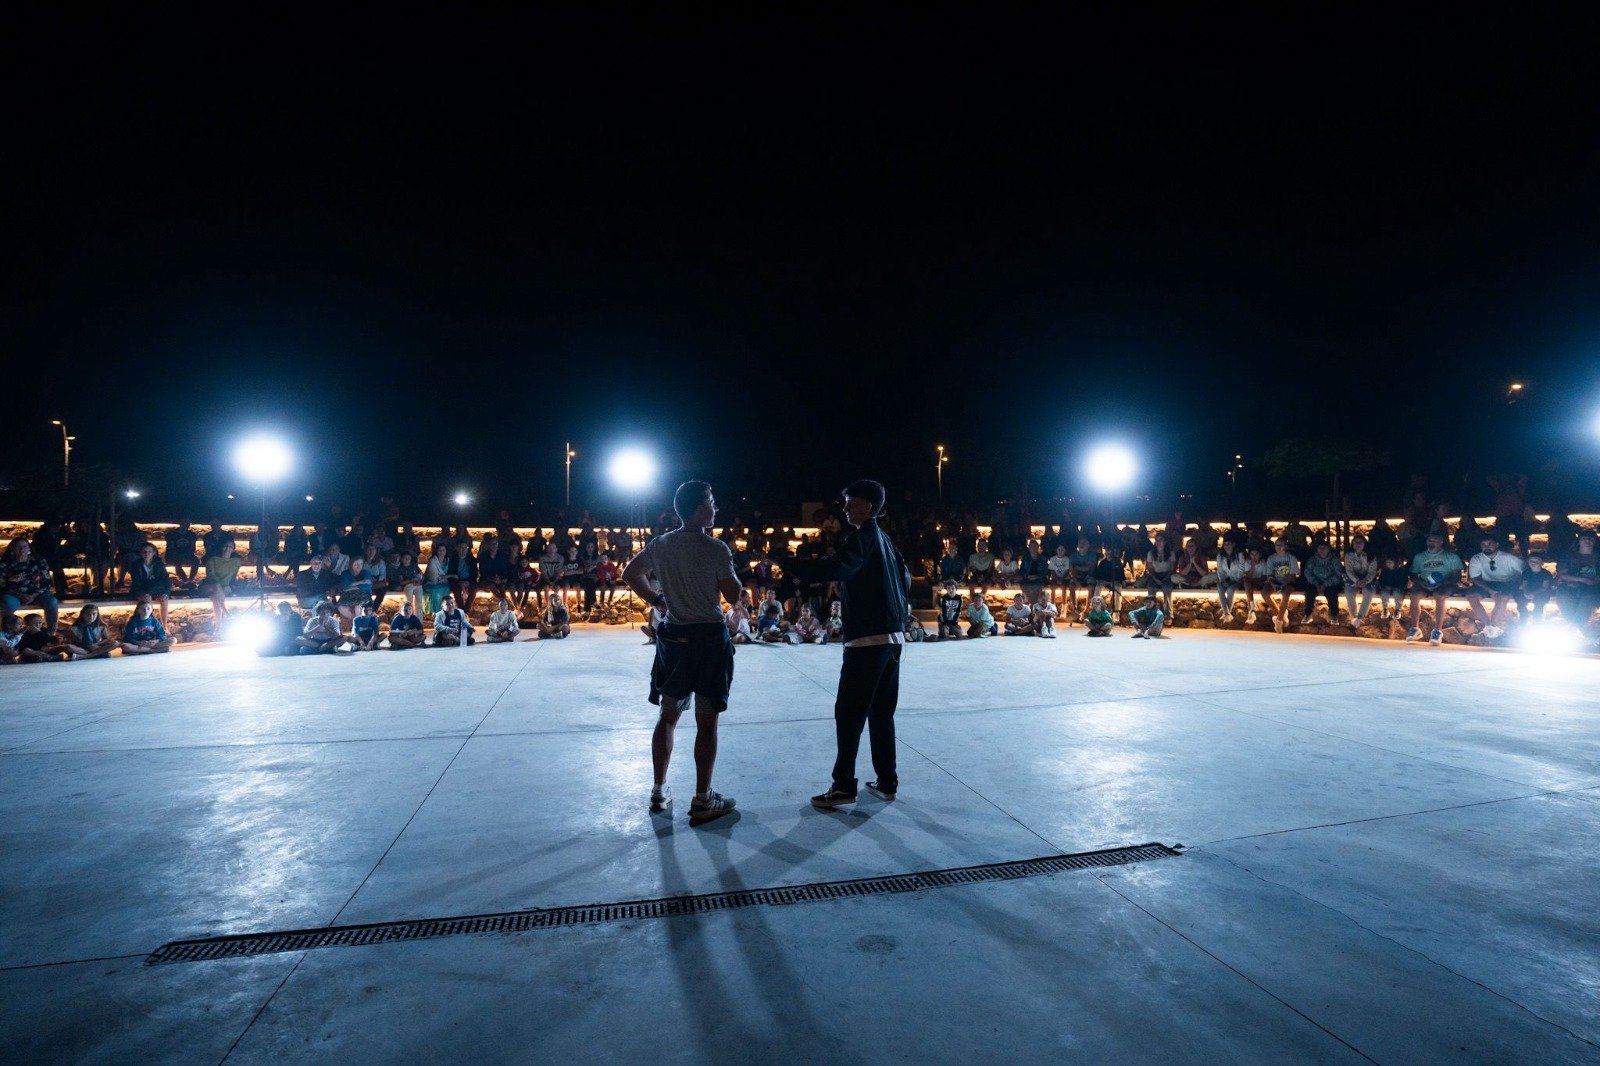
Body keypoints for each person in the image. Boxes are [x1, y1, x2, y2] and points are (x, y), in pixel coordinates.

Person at [622, 480, 743, 825]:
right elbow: (733, 595)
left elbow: (631, 574)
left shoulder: (660, 544)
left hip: (674, 640)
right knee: (707, 720)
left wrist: (658, 599)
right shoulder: (716, 548)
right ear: (700, 509)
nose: (716, 508)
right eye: (712, 502)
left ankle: (659, 792)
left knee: (668, 715)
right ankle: (703, 799)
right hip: (708, 640)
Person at [799, 480, 911, 813]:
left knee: (848, 713)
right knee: (880, 713)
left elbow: (838, 567)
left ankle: (844, 786)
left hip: (867, 640)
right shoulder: (886, 539)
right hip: (893, 639)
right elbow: (904, 576)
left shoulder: (862, 538)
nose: (845, 508)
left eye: (850, 502)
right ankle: (886, 783)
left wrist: (792, 566)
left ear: (867, 506)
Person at [1406, 531, 1464, 645]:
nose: (1430, 543)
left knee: (1440, 595)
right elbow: (1413, 575)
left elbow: (1457, 577)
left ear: (1441, 542)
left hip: (1445, 584)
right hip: (1425, 584)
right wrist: (1422, 583)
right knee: (1414, 595)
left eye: (1434, 540)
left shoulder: (1451, 557)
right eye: (1429, 540)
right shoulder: (1419, 557)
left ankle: (1437, 631)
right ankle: (1415, 629)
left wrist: (1441, 583)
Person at [1466, 535, 1523, 638]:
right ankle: (1489, 626)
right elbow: (1475, 578)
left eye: (1489, 544)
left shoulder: (1509, 558)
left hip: (1505, 583)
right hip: (1486, 583)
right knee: (1471, 596)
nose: (1486, 546)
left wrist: (1514, 583)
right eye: (1483, 544)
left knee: (1502, 598)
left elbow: (1523, 572)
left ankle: (1492, 625)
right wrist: (1489, 589)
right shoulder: (1476, 559)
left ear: (1497, 545)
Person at [1, 537, 59, 635]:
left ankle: (51, 632)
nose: (22, 549)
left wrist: (33, 595)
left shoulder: (38, 561)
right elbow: (2, 585)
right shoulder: (5, 564)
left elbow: (47, 581)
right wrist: (20, 595)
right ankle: (8, 632)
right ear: (12, 549)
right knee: (10, 604)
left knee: (52, 602)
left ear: (29, 548)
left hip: (37, 593)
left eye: (25, 546)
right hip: (14, 594)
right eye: (19, 547)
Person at [1554, 529, 1599, 626]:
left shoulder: (1598, 557)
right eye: (1584, 538)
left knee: (1588, 598)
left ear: (1595, 541)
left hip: (1593, 588)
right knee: (1565, 597)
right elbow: (1562, 575)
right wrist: (1582, 579)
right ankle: (1575, 627)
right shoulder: (1568, 556)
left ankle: (1573, 628)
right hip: (1569, 586)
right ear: (1579, 541)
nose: (1587, 541)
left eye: (1591, 539)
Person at [1261, 538, 1301, 633]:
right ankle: (1282, 615)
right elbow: (1269, 575)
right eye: (1277, 545)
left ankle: (1279, 621)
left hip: (1288, 581)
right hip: (1275, 581)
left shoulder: (1291, 558)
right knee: (1264, 593)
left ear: (1285, 546)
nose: (1279, 547)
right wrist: (1273, 584)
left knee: (1286, 594)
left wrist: (1283, 584)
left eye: (1281, 545)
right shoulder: (1271, 558)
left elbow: (1292, 575)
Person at [127, 543, 172, 625]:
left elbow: (165, 579)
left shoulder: (159, 564)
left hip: (155, 589)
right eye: (144, 552)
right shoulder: (136, 565)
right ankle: (151, 625)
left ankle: (164, 626)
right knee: (147, 599)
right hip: (141, 589)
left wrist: (166, 593)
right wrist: (144, 593)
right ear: (141, 553)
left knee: (164, 599)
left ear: (153, 553)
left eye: (149, 551)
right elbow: (136, 582)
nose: (146, 554)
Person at [200, 539, 243, 623]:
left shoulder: (236, 561)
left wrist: (230, 586)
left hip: (222, 589)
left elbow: (233, 577)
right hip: (209, 586)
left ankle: (218, 627)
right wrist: (223, 586)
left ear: (233, 549)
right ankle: (226, 612)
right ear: (221, 548)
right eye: (225, 546)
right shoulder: (212, 560)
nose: (227, 548)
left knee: (215, 598)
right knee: (217, 586)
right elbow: (211, 576)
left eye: (230, 547)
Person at [1302, 542, 1346, 624]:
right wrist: (1316, 583)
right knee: (1309, 592)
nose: (1322, 550)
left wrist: (1326, 584)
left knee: (1332, 593)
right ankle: (1308, 614)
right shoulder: (1312, 560)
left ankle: (1334, 615)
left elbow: (1339, 574)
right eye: (1320, 548)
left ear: (1328, 549)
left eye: (1324, 548)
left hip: (1331, 583)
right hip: (1316, 583)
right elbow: (1308, 572)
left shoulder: (1334, 560)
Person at [1342, 534, 1379, 627]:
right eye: (1355, 542)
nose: (1357, 544)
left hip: (1368, 580)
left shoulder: (1371, 556)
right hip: (1353, 579)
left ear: (1365, 544)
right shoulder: (1348, 555)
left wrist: (1365, 581)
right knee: (1349, 592)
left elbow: (1372, 571)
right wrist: (1357, 580)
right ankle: (1354, 616)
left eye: (1360, 542)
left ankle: (1360, 617)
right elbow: (1349, 570)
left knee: (1369, 592)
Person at [1215, 541, 1250, 621]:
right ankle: (1227, 613)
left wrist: (1234, 579)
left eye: (1229, 544)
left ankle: (1226, 613)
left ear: (1233, 545)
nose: (1227, 546)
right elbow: (1220, 570)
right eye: (1225, 544)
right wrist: (1223, 580)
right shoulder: (1220, 556)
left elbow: (1242, 569)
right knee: (1220, 589)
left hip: (1237, 579)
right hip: (1226, 579)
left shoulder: (1239, 555)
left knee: (1230, 590)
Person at [1143, 532, 1177, 615]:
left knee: (1167, 588)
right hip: (1155, 575)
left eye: (1160, 540)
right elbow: (1150, 568)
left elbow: (1172, 568)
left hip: (1167, 575)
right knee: (1151, 588)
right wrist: (1155, 578)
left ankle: (1168, 614)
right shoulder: (1150, 553)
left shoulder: (1171, 553)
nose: (1158, 542)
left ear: (1165, 541)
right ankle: (1151, 613)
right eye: (1157, 540)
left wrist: (1166, 577)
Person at [1091, 545, 1125, 614]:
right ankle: (1095, 609)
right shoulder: (1102, 563)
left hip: (1115, 581)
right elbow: (1098, 574)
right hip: (1104, 581)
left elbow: (1121, 573)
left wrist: (1122, 580)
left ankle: (1116, 611)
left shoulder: (1118, 562)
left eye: (1110, 553)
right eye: (1107, 553)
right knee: (1097, 588)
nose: (1108, 554)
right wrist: (1098, 580)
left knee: (1118, 588)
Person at [338, 555, 374, 621]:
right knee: (341, 607)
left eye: (361, 564)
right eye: (356, 564)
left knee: (357, 607)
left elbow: (367, 586)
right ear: (351, 564)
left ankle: (357, 623)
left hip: (363, 595)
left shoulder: (366, 573)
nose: (359, 566)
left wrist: (350, 587)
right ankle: (356, 621)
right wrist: (362, 582)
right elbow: (344, 586)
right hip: (348, 596)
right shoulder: (345, 573)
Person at [1375, 553, 1409, 620]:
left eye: (1390, 562)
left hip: (1398, 587)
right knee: (1384, 593)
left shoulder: (1401, 570)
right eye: (1387, 562)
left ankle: (1397, 610)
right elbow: (1381, 580)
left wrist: (1399, 587)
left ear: (1395, 562)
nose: (1388, 564)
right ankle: (1385, 609)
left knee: (1397, 594)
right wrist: (1384, 586)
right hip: (1387, 587)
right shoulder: (1385, 570)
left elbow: (1403, 581)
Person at [166, 520, 200, 586]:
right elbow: (171, 548)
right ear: (180, 523)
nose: (185, 525)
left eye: (187, 523)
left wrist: (187, 556)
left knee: (196, 561)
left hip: (187, 554)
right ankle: (185, 580)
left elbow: (193, 548)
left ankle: (190, 579)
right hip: (173, 554)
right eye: (183, 523)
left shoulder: (191, 535)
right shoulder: (172, 534)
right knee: (177, 561)